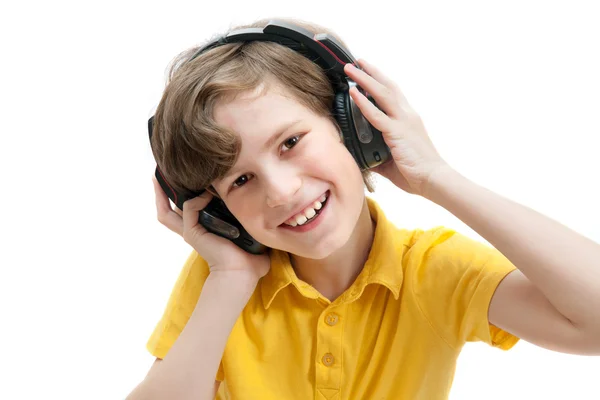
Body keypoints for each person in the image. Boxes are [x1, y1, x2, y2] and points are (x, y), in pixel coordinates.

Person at [127, 17, 600, 400]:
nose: (281, 192)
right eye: (241, 180)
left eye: (290, 142)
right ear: (221, 211)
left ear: (354, 126)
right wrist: (229, 281)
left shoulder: (433, 271)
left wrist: (436, 177)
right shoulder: (221, 282)